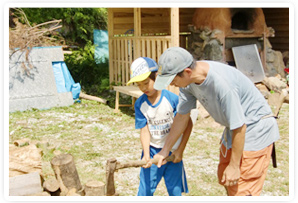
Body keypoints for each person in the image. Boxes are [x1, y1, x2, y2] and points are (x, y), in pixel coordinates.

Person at [153, 47, 280, 196]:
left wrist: (234, 166)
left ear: (187, 72)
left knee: (242, 189)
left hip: (255, 129)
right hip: (233, 129)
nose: (172, 84)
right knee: (226, 180)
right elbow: (182, 116)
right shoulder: (188, 83)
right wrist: (165, 150)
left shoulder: (223, 84)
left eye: (172, 80)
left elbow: (240, 127)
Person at [127, 57, 193, 196]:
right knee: (145, 191)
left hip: (173, 152)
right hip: (152, 152)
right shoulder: (140, 104)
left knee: (175, 192)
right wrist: (146, 155)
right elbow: (144, 131)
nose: (143, 88)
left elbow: (187, 124)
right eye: (139, 85)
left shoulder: (172, 99)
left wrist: (180, 150)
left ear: (156, 77)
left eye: (146, 83)